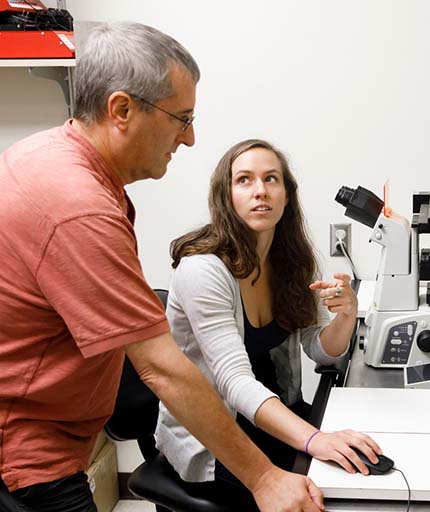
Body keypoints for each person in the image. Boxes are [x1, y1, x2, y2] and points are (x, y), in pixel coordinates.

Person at [0, 22, 323, 512]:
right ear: (122, 109)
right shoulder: (78, 205)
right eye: (181, 118)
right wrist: (264, 480)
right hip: (25, 448)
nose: (189, 139)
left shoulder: (54, 161)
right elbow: (163, 370)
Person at [155, 139, 382, 503]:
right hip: (218, 438)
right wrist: (314, 439)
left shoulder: (290, 261)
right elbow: (235, 383)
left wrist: (346, 316)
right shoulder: (203, 271)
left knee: (365, 462)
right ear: (225, 195)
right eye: (244, 180)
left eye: (271, 179)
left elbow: (320, 350)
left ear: (287, 194)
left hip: (274, 416)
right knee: (323, 493)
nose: (260, 191)